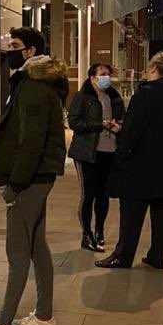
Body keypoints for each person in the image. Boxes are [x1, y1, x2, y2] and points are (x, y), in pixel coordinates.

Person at [0, 27, 67, 325]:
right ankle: (43, 316)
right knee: (37, 247)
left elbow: (31, 141)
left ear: (30, 51)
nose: (7, 50)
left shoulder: (34, 87)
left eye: (14, 46)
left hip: (31, 180)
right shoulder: (33, 83)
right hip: (37, 178)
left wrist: (16, 184)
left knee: (16, 253)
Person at [97, 51, 163, 270]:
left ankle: (123, 255)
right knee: (162, 215)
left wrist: (121, 150)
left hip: (141, 167)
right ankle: (157, 256)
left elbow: (132, 132)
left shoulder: (146, 95)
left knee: (131, 214)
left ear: (153, 69)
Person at [67, 63, 125, 253]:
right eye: (102, 74)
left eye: (108, 74)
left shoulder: (114, 97)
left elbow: (123, 119)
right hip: (87, 153)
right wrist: (99, 124)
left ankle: (99, 231)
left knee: (103, 195)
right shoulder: (83, 97)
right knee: (88, 195)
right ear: (93, 77)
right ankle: (87, 235)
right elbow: (74, 122)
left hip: (109, 152)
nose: (106, 77)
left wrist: (119, 127)